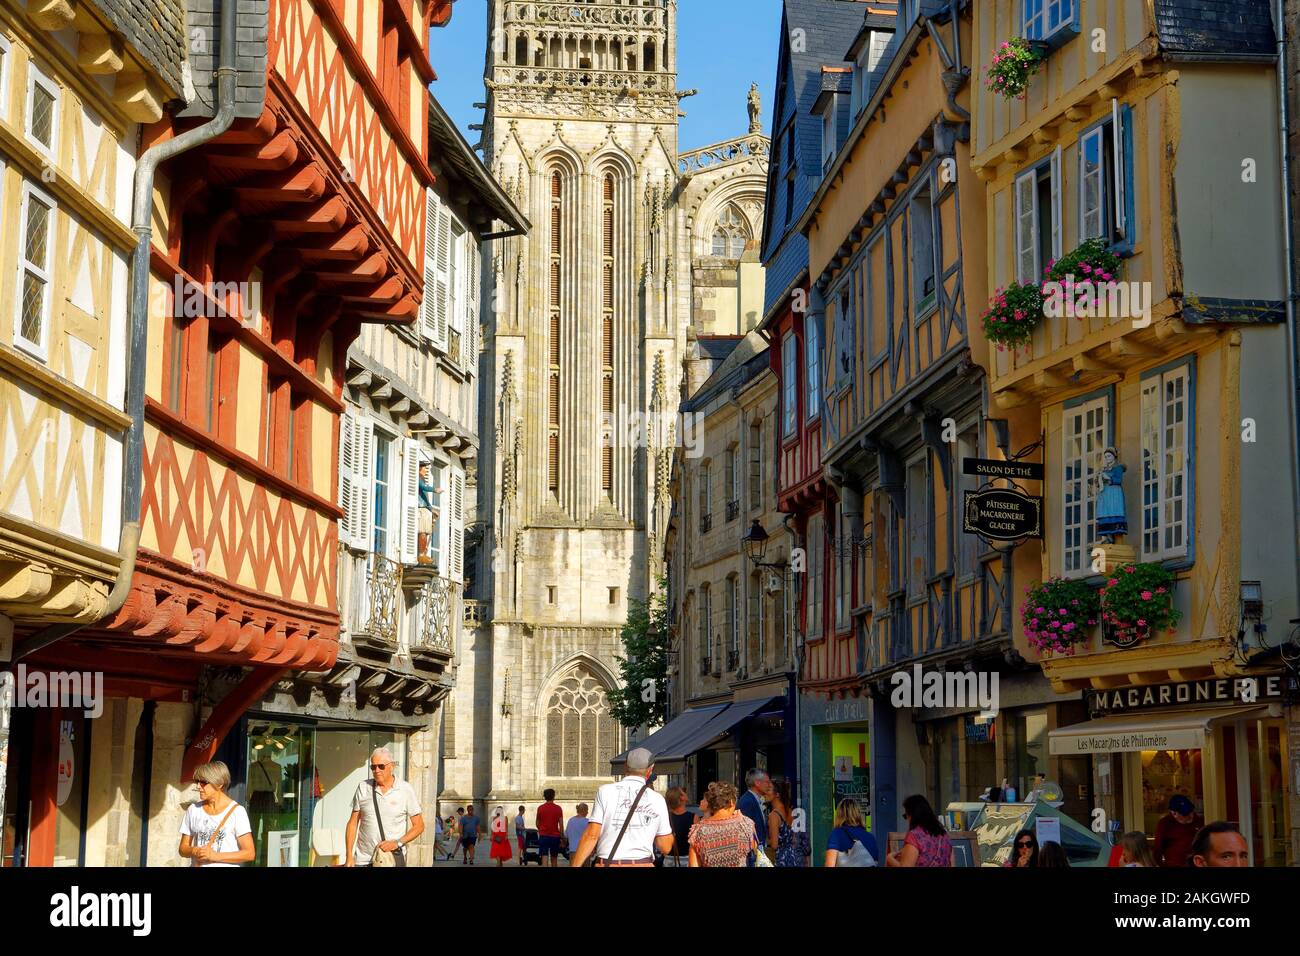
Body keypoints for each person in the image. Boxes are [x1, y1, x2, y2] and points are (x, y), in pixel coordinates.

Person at [571, 747, 674, 867]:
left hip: (609, 863)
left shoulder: (605, 791)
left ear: (625, 766)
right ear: (650, 771)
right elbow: (665, 847)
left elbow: (591, 835)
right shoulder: (657, 799)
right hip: (642, 863)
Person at [345, 748, 423, 867]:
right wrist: (349, 856)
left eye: (381, 766)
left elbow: (419, 826)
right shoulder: (363, 787)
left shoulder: (405, 789)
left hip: (390, 860)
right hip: (364, 860)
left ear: (391, 766)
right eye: (373, 767)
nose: (376, 770)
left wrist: (398, 843)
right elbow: (353, 823)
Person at [179, 760, 255, 867]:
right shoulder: (194, 810)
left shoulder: (237, 812)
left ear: (219, 784)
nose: (198, 787)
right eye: (197, 782)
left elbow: (249, 853)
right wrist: (195, 851)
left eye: (203, 783)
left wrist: (214, 856)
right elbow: (183, 849)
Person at [688, 781, 757, 868]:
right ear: (731, 802)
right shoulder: (746, 824)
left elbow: (693, 864)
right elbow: (754, 847)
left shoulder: (698, 831)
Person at [887, 794, 951, 867]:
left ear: (912, 815)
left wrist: (890, 859)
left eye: (906, 816)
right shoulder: (944, 835)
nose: (907, 820)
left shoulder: (914, 836)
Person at [824, 797, 878, 867]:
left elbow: (829, 865)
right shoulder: (871, 838)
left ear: (839, 815)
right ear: (858, 814)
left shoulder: (836, 835)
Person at [1153, 795, 1202, 867]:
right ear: (1174, 813)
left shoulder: (1197, 820)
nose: (1191, 815)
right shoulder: (1165, 824)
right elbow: (1158, 850)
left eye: (1191, 811)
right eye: (1186, 814)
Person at [737, 768, 772, 865]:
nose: (769, 785)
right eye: (767, 782)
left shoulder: (753, 799)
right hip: (751, 857)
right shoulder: (747, 802)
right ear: (757, 783)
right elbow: (744, 833)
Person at [768, 779, 805, 867]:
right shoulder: (790, 811)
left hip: (781, 859)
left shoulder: (774, 815)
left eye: (768, 789)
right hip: (793, 857)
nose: (765, 792)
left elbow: (774, 845)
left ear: (777, 794)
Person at [535, 788, 564, 867]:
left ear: (544, 796)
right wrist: (562, 838)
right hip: (555, 836)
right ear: (553, 796)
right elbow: (561, 825)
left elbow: (537, 823)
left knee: (544, 858)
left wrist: (542, 829)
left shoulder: (540, 808)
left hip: (544, 836)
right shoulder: (558, 808)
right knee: (554, 859)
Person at [665, 787, 694, 867]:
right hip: (687, 858)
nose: (686, 793)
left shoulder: (665, 816)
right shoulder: (694, 817)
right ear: (682, 797)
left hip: (668, 858)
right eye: (684, 792)